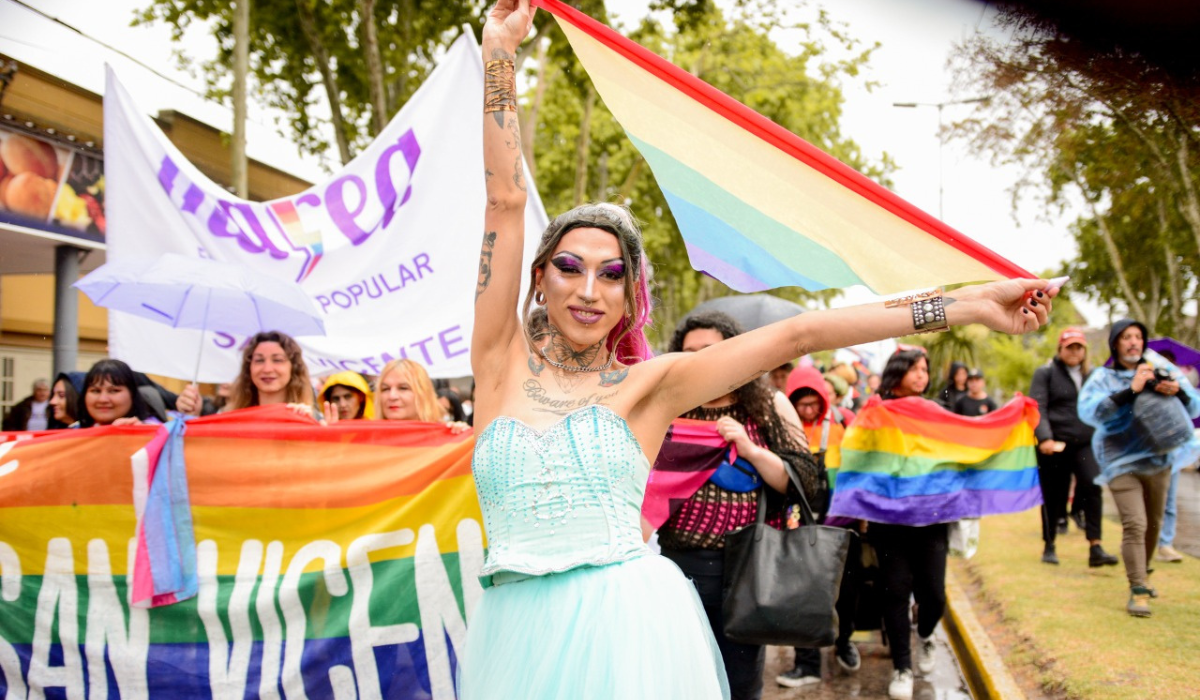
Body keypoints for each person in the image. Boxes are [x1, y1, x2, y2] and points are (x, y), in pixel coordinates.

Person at [459, 3, 1053, 697]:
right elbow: (504, 199)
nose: (589, 290)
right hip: (511, 637)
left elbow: (802, 335)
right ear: (538, 278)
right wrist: (498, 54)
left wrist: (968, 304)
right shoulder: (497, 362)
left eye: (612, 273)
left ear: (629, 297)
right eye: (569, 266)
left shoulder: (653, 384)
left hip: (620, 634)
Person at [657, 311, 818, 700]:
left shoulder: (768, 406)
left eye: (710, 350)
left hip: (748, 566)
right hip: (678, 566)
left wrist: (749, 449)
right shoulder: (667, 408)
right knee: (683, 678)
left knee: (740, 680)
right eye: (690, 352)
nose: (700, 359)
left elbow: (803, 481)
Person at [1078, 319, 1200, 617]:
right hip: (1119, 461)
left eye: (1138, 336)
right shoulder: (1103, 378)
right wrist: (1130, 390)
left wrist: (1177, 391)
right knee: (1135, 523)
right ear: (1115, 343)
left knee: (1154, 525)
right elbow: (1092, 412)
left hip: (1158, 460)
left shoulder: (1159, 369)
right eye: (1126, 337)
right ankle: (1138, 589)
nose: (1133, 341)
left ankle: (1142, 572)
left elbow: (1194, 406)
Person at [860, 350, 953, 699]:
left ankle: (926, 634)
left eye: (924, 369)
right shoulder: (875, 411)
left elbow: (951, 456)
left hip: (931, 517)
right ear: (897, 372)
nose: (921, 375)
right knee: (896, 590)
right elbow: (862, 459)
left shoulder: (934, 411)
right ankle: (902, 666)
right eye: (914, 368)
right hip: (889, 518)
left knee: (935, 595)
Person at [778, 365, 862, 688]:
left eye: (814, 403)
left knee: (847, 590)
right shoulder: (784, 428)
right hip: (799, 524)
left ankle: (844, 642)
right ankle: (807, 663)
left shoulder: (844, 422)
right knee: (803, 594)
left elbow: (862, 464)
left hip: (842, 521)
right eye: (802, 404)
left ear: (825, 401)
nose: (808, 409)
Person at [1030, 328, 1118, 567]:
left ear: (1084, 351)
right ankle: (1049, 544)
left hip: (1085, 443)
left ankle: (1096, 546)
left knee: (1092, 486)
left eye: (1079, 347)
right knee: (1053, 495)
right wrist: (1045, 437)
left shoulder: (1093, 376)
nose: (1074, 351)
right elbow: (1038, 406)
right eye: (1070, 347)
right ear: (1060, 349)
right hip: (1055, 444)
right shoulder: (1046, 373)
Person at [178, 331, 318, 418]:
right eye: (259, 360)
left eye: (277, 360)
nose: (267, 368)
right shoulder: (227, 417)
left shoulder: (310, 418)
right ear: (248, 368)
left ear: (293, 368)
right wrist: (191, 417)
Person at [1153, 349, 1187, 563]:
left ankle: (1165, 544)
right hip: (1145, 451)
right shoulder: (1144, 384)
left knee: (1170, 500)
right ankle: (1140, 541)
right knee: (1145, 501)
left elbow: (1190, 409)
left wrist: (1178, 391)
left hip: (1172, 450)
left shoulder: (1179, 388)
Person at [76, 359, 156, 427]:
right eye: (96, 391)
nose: (103, 399)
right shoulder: (70, 436)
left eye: (114, 390)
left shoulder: (159, 436)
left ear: (132, 394)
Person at [373, 358, 444, 422]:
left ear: (423, 393)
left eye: (403, 388)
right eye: (385, 389)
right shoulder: (367, 435)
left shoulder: (446, 434)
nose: (392, 396)